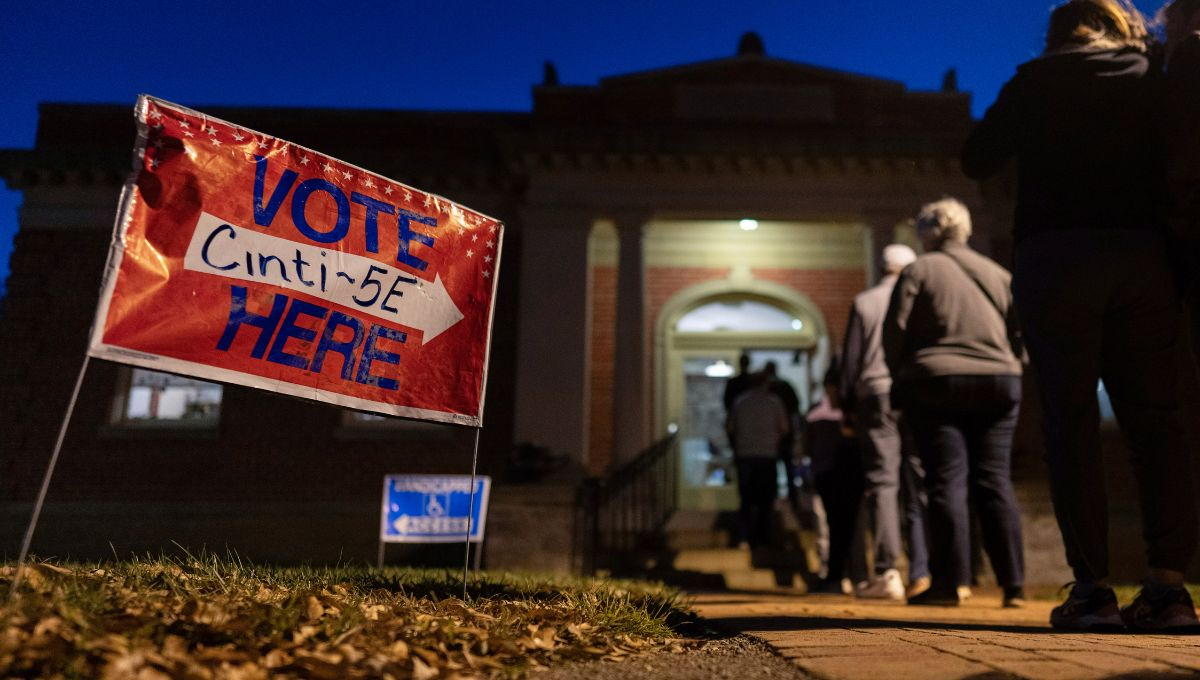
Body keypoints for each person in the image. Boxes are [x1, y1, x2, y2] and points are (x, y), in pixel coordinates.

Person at [963, 0, 1198, 630]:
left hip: (1056, 257)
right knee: (1156, 423)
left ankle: (1092, 591)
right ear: (1123, 28)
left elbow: (977, 156)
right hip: (1142, 258)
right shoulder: (1154, 75)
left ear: (1058, 34)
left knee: (1068, 424)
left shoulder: (1037, 78)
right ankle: (1170, 588)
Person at [882, 198, 1026, 609]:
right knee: (995, 479)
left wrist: (897, 375)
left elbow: (896, 331)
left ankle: (948, 583)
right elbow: (1019, 328)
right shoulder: (998, 273)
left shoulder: (918, 270)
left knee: (946, 480)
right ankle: (1013, 585)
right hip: (1000, 380)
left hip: (936, 381)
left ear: (928, 233)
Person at [840, 243, 926, 600]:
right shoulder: (923, 298)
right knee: (919, 481)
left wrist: (848, 404)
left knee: (884, 482)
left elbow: (852, 359)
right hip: (916, 391)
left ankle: (888, 570)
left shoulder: (865, 301)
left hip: (875, 394)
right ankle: (923, 568)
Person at [805, 363, 865, 593]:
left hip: (843, 474)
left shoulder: (851, 414)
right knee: (838, 524)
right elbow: (809, 446)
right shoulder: (820, 414)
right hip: (829, 474)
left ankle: (850, 574)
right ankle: (838, 575)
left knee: (849, 526)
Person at [727, 371, 790, 548]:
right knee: (765, 500)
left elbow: (731, 427)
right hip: (767, 455)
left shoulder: (740, 401)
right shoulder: (774, 402)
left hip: (745, 454)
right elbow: (784, 428)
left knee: (746, 499)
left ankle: (745, 537)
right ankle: (763, 538)